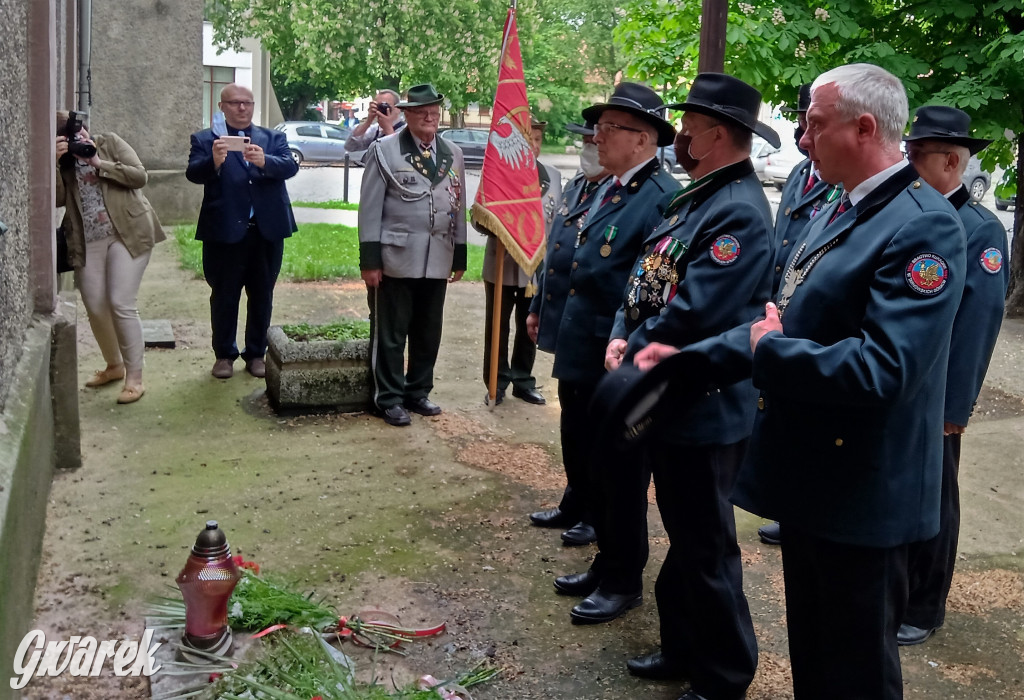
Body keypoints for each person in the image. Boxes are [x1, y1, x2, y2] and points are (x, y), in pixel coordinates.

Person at [561, 74, 778, 700]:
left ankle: (723, 675)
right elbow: (648, 273)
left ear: (715, 136)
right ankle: (684, 648)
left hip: (703, 406)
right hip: (669, 392)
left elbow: (700, 309)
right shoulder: (697, 197)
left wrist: (638, 338)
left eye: (688, 127)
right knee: (685, 543)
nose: (677, 137)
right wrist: (625, 326)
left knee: (706, 552)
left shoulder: (738, 208)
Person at [525, 83, 679, 547]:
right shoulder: (605, 187)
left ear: (643, 139)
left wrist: (627, 341)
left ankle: (598, 517)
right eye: (599, 126)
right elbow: (567, 251)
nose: (597, 136)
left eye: (611, 128)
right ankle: (580, 501)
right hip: (579, 331)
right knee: (575, 427)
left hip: (611, 344)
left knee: (606, 443)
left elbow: (652, 285)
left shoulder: (659, 196)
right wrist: (540, 305)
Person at [899, 105, 1008, 646]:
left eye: (918, 154)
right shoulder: (910, 212)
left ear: (951, 161)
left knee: (936, 499)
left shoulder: (979, 229)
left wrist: (954, 410)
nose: (909, 161)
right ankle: (899, 590)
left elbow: (978, 324)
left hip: (939, 395)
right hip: (902, 386)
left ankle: (925, 605)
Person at [757, 83, 842, 545]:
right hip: (784, 303)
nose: (802, 136)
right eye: (800, 124)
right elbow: (784, 239)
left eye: (813, 125)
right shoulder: (801, 175)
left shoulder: (840, 188)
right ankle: (790, 509)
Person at [358, 84, 467, 427]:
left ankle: (417, 391)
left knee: (428, 330)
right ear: (406, 114)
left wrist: (459, 255)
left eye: (435, 111)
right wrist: (370, 260)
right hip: (396, 258)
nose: (431, 117)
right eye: (423, 111)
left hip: (437, 256)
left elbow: (457, 207)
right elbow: (369, 209)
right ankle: (387, 398)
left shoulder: (453, 154)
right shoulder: (384, 151)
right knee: (391, 333)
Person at [187, 83, 299, 380]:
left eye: (247, 103)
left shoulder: (273, 138)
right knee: (224, 294)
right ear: (222, 106)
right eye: (235, 103)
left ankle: (256, 354)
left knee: (262, 294)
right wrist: (214, 161)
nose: (241, 108)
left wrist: (266, 161)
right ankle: (224, 354)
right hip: (224, 232)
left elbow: (290, 166)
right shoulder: (205, 139)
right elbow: (192, 173)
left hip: (265, 231)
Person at [56, 110, 164, 404]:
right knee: (94, 304)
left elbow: (139, 176)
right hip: (87, 239)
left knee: (120, 302)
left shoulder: (110, 143)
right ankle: (114, 366)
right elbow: (56, 198)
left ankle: (135, 379)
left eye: (80, 134)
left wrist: (98, 162)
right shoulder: (63, 163)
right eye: (70, 138)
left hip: (127, 231)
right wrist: (54, 162)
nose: (79, 140)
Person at [481, 117, 561, 407]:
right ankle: (496, 380)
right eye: (529, 140)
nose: (534, 146)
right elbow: (479, 218)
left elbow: (556, 222)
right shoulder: (499, 175)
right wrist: (498, 223)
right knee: (498, 327)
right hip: (502, 264)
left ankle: (522, 380)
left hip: (536, 269)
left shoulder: (552, 176)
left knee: (530, 327)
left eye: (538, 140)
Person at [345, 89, 405, 158]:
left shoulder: (406, 130)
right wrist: (368, 122)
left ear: (398, 108)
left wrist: (388, 129)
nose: (382, 109)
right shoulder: (375, 130)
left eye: (385, 105)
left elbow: (401, 157)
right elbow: (350, 146)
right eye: (379, 106)